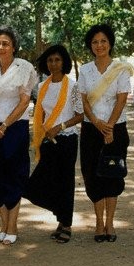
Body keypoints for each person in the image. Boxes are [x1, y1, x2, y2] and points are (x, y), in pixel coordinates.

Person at [0, 26, 38, 245]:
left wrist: (5, 125)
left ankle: (12, 226)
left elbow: (25, 101)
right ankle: (3, 224)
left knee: (14, 175)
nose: (1, 47)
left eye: (6, 43)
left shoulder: (23, 67)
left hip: (14, 129)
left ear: (14, 46)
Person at [78, 23, 134, 243]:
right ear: (90, 46)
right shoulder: (85, 70)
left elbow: (121, 99)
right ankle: (98, 223)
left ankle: (110, 223)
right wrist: (95, 122)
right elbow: (83, 100)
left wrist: (109, 127)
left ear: (110, 43)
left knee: (112, 175)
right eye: (94, 42)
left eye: (103, 41)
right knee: (92, 175)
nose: (99, 45)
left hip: (115, 129)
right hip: (91, 129)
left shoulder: (120, 69)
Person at [24, 45, 83, 244]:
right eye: (50, 60)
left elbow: (80, 115)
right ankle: (60, 214)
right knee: (37, 184)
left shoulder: (73, 86)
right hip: (48, 140)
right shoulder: (42, 87)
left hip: (67, 139)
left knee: (65, 182)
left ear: (64, 62)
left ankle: (65, 225)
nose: (53, 64)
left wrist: (61, 126)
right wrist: (43, 133)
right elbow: (40, 114)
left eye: (57, 60)